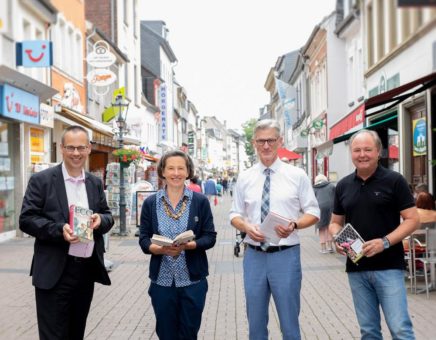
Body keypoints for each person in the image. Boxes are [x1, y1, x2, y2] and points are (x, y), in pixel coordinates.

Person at [19, 125, 114, 340]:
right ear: (61, 148)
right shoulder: (41, 180)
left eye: (81, 147)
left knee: (75, 333)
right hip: (54, 272)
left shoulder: (94, 183)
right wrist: (58, 229)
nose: (76, 153)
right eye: (70, 148)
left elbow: (107, 215)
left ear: (89, 149)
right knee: (53, 335)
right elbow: (26, 220)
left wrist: (100, 221)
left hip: (85, 271)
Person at [230, 119, 320, 340]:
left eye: (271, 140)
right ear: (254, 143)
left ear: (280, 141)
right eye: (261, 141)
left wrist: (295, 224)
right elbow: (234, 214)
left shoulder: (297, 175)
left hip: (285, 256)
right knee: (256, 324)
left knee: (289, 323)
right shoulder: (245, 177)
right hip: (254, 257)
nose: (266, 146)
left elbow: (313, 212)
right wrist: (246, 226)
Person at [329, 129, 419, 340]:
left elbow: (413, 219)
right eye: (357, 150)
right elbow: (335, 223)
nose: (362, 154)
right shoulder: (343, 185)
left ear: (378, 152)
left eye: (368, 149)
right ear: (351, 153)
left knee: (400, 329)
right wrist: (338, 239)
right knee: (368, 332)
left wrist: (385, 242)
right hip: (356, 268)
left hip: (389, 267)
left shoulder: (394, 181)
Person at [139, 150, 217, 340]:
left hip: (193, 281)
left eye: (180, 168)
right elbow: (143, 239)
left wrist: (189, 246)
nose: (176, 173)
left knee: (189, 333)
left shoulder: (199, 202)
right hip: (162, 282)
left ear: (188, 171)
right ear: (163, 172)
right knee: (166, 334)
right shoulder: (150, 203)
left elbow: (210, 237)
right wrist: (158, 249)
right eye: (171, 168)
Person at [313, 174, 335, 253]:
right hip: (331, 208)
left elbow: (313, 200)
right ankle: (330, 247)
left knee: (321, 228)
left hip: (319, 209)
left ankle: (323, 248)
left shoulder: (314, 188)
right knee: (329, 227)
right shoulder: (331, 186)